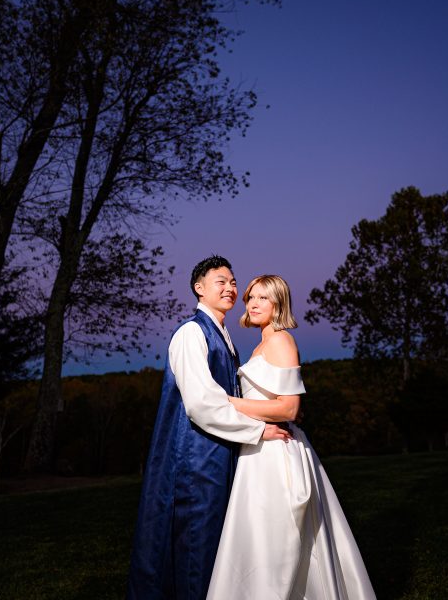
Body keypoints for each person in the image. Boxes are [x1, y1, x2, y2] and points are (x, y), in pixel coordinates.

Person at [127, 256, 292, 600]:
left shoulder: (225, 337)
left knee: (215, 551)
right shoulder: (191, 333)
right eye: (221, 281)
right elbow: (202, 404)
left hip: (218, 458)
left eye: (233, 282)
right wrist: (260, 431)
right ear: (199, 289)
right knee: (193, 551)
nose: (231, 288)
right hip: (192, 462)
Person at [206, 274, 376, 600]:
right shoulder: (262, 343)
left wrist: (224, 401)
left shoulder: (281, 340)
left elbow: (289, 408)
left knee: (279, 543)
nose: (253, 304)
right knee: (260, 539)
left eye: (263, 298)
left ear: (278, 303)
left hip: (277, 454)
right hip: (259, 449)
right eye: (251, 297)